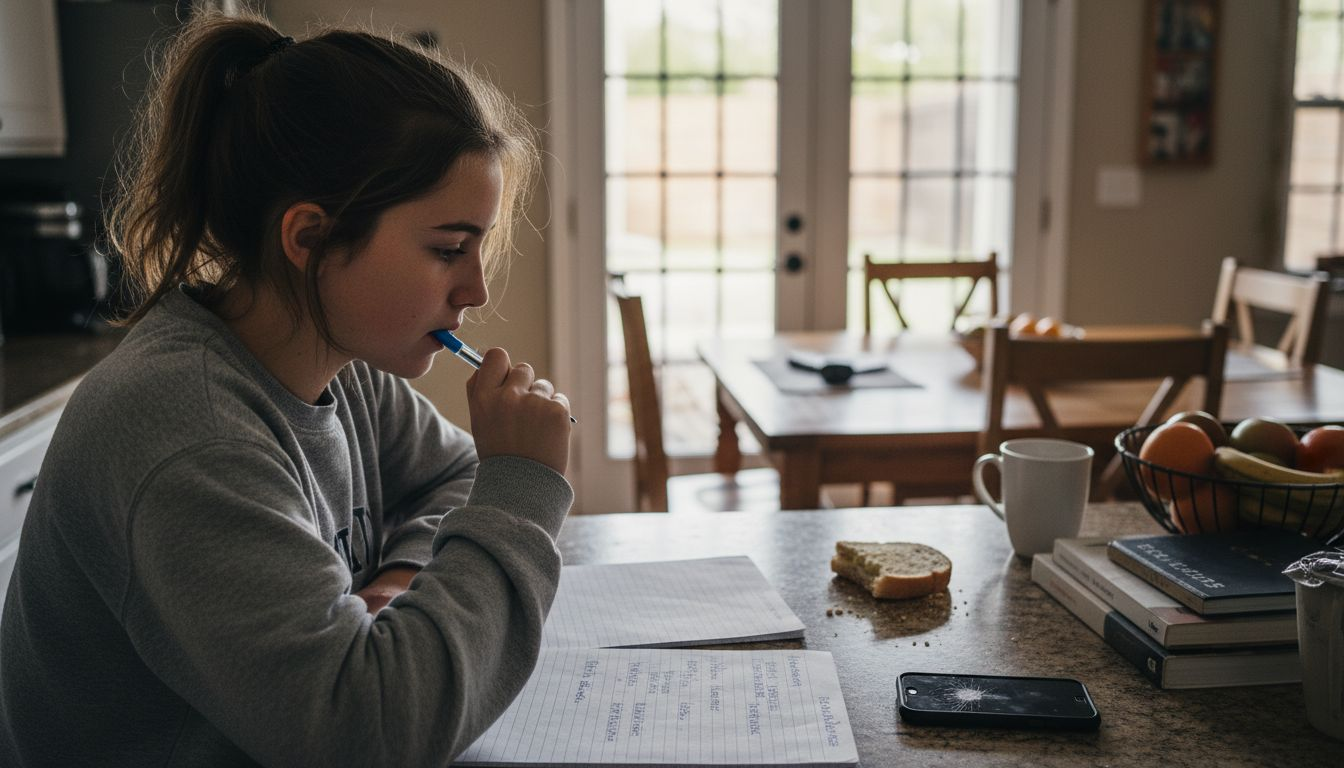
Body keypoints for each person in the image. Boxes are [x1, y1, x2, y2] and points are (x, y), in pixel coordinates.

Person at [0, 9, 574, 767]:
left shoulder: (344, 364)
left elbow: (452, 473)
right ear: (310, 239)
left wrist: (403, 577)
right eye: (447, 249)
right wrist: (522, 489)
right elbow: (367, 733)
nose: (473, 291)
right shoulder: (187, 430)